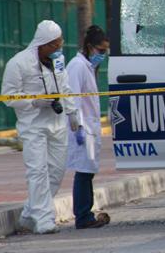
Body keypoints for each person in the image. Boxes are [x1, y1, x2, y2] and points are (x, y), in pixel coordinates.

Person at [1, 20, 80, 234]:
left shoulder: (59, 61)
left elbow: (65, 86)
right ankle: (44, 219)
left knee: (56, 171)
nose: (58, 49)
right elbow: (7, 96)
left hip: (57, 123)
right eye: (53, 45)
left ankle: (29, 213)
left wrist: (72, 112)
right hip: (33, 125)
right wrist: (33, 101)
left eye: (60, 44)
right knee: (37, 171)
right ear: (42, 43)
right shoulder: (18, 63)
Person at [66, 25, 111, 229]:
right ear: (90, 47)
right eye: (100, 51)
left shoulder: (87, 67)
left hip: (90, 127)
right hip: (82, 128)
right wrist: (78, 126)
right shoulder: (76, 66)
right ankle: (83, 216)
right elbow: (72, 98)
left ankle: (86, 213)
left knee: (87, 172)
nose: (102, 55)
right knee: (83, 172)